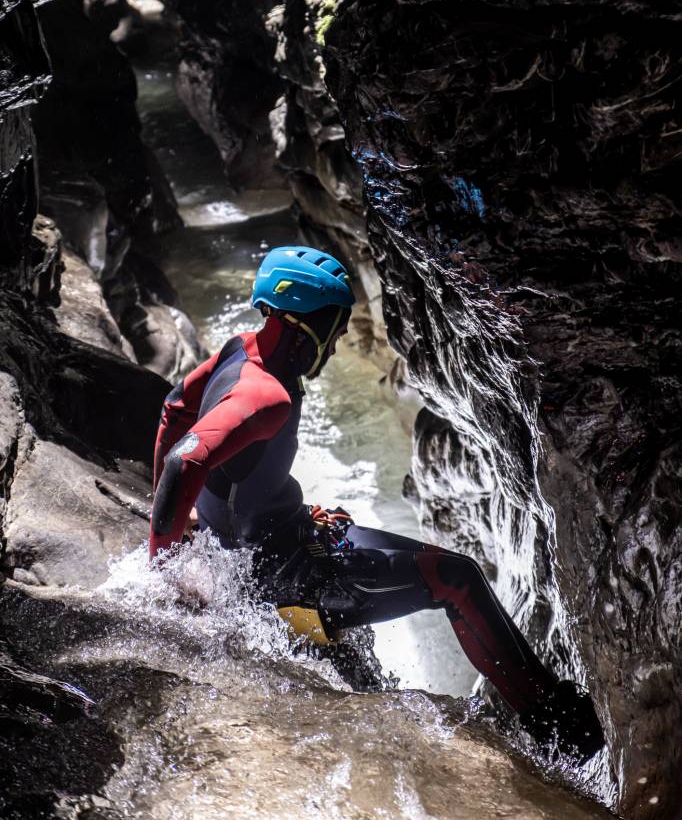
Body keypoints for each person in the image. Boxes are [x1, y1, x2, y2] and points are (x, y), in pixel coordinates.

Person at [149, 245, 604, 760]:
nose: (342, 336)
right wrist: (163, 567)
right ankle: (562, 731)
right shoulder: (267, 397)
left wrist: (189, 520)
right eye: (337, 323)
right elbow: (185, 464)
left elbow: (175, 408)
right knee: (456, 579)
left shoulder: (238, 349)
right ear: (307, 323)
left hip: (276, 542)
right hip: (282, 572)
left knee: (428, 571)